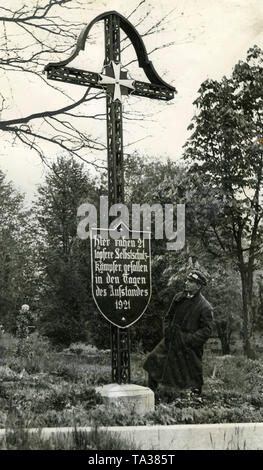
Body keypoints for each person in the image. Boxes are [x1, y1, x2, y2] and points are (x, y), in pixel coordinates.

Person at [143, 269, 213, 395]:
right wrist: (168, 332)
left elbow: (206, 331)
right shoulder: (178, 298)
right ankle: (151, 394)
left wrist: (188, 339)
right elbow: (168, 317)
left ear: (198, 286)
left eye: (191, 282)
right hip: (171, 340)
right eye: (187, 280)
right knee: (153, 361)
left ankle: (196, 401)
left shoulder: (205, 307)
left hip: (188, 346)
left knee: (193, 375)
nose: (186, 283)